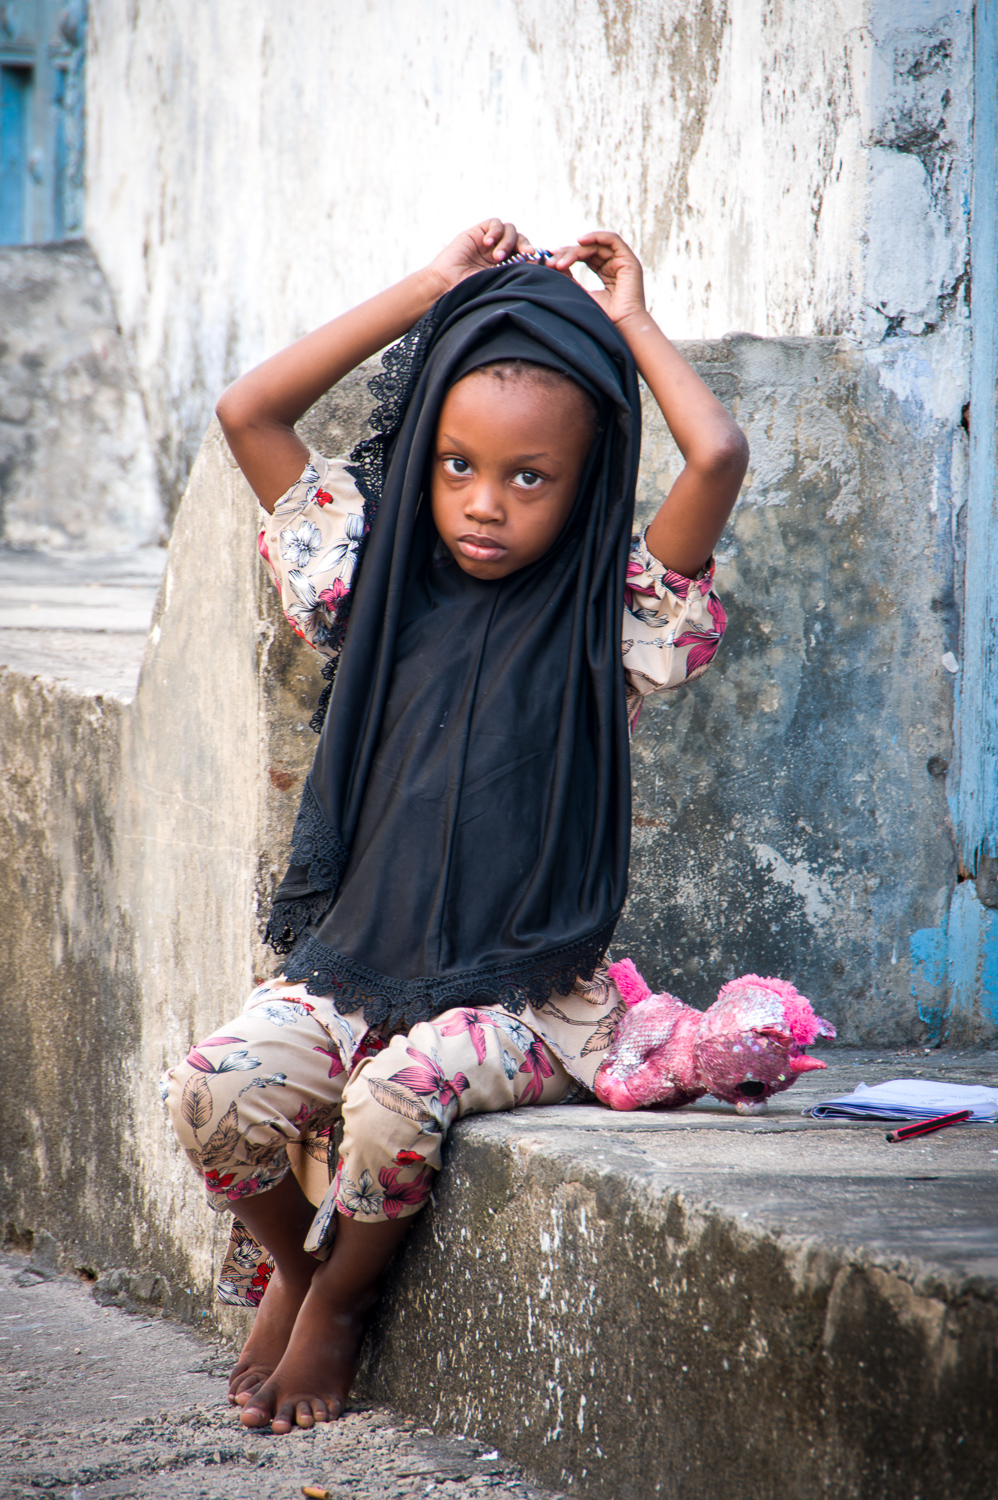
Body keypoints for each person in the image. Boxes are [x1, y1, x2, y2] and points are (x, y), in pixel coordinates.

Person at [164, 219, 747, 1433]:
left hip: (526, 995)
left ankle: (336, 1305)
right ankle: (292, 1264)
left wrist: (628, 319)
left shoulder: (612, 623)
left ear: (584, 484)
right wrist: (432, 289)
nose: (485, 505)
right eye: (456, 465)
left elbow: (715, 455)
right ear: (422, 456)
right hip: (358, 965)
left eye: (529, 478)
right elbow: (247, 414)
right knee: (214, 1090)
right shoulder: (363, 585)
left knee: (395, 1098)